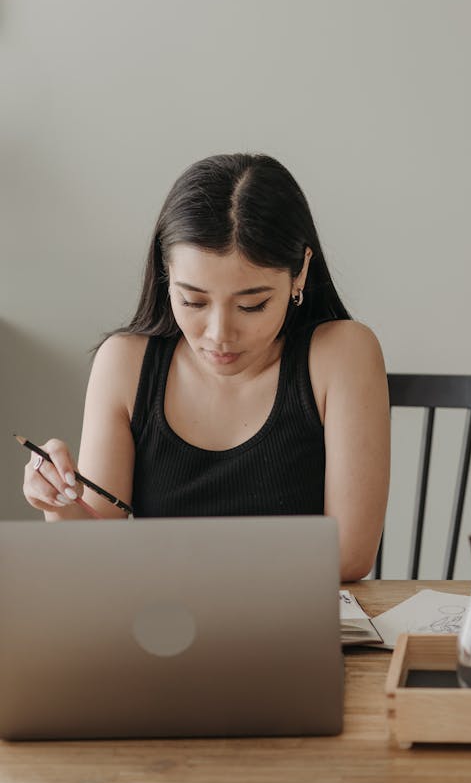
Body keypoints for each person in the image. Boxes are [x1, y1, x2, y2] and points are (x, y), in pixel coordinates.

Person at [22, 153, 390, 581]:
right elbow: (92, 556)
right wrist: (61, 502)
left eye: (252, 305)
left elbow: (348, 555)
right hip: (161, 630)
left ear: (300, 273)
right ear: (166, 276)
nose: (219, 334)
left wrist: (161, 560)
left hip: (293, 629)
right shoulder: (125, 363)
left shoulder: (342, 354)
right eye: (193, 301)